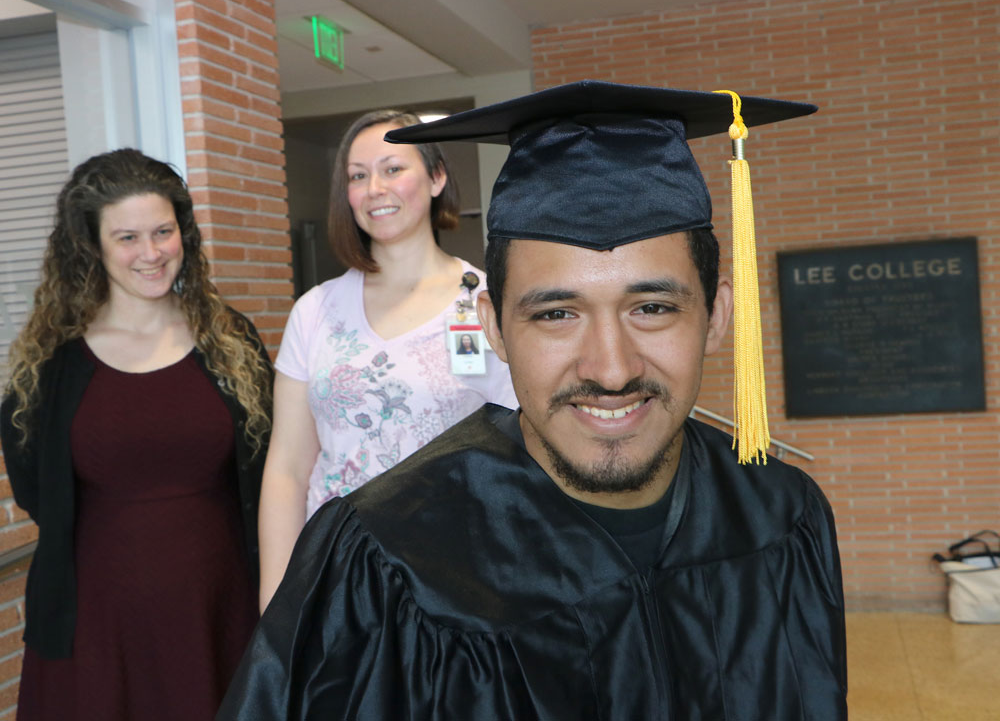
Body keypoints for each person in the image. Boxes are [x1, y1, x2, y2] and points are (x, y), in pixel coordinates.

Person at [220, 81, 848, 720]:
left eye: (652, 308)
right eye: (555, 314)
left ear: (717, 316)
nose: (610, 369)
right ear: (492, 327)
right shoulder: (386, 561)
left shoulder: (783, 517)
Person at [0, 149, 273, 721]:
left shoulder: (231, 340)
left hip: (220, 610)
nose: (150, 254)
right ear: (92, 246)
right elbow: (34, 485)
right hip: (96, 625)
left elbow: (269, 467)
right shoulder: (51, 363)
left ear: (183, 234)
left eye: (163, 232)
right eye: (127, 237)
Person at [257, 110, 517, 609]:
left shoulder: (489, 301)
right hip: (336, 579)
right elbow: (288, 468)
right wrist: (275, 605)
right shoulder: (315, 311)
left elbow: (518, 454)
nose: (375, 187)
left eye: (393, 168)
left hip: (454, 579)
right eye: (358, 175)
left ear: (437, 176)